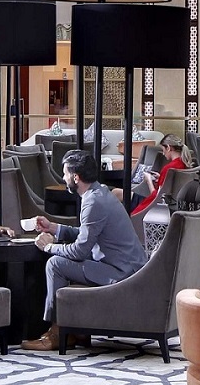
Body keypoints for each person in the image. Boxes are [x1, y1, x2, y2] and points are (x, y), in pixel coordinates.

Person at [25, 150, 147, 350]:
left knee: (55, 264)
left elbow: (80, 251)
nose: (63, 178)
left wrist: (48, 246)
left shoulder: (93, 201)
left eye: (65, 173)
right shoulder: (100, 192)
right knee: (61, 261)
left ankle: (57, 332)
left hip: (121, 272)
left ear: (76, 177)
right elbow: (87, 234)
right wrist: (54, 228)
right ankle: (76, 331)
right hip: (126, 266)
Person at [130, 135, 191, 217]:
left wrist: (149, 180)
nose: (163, 153)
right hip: (173, 205)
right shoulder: (182, 164)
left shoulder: (169, 168)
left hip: (154, 207)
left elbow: (157, 197)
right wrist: (160, 177)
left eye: (163, 150)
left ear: (168, 148)